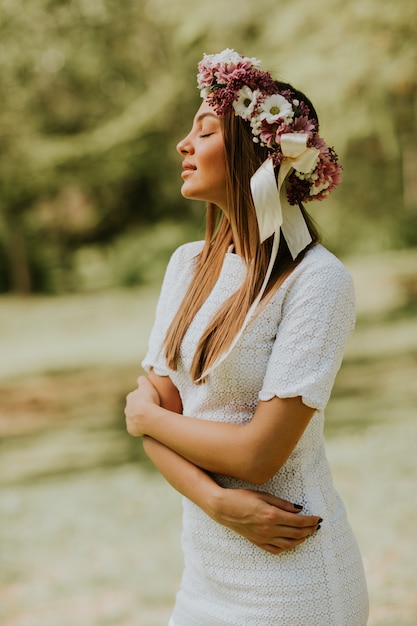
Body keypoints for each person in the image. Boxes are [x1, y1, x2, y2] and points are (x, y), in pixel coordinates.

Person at [125, 49, 369, 625]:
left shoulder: (319, 281)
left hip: (294, 580)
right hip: (206, 575)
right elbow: (163, 423)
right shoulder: (187, 265)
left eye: (204, 131)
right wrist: (217, 502)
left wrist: (147, 418)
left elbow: (258, 455)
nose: (183, 145)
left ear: (259, 155)